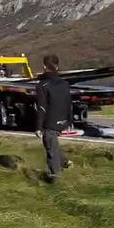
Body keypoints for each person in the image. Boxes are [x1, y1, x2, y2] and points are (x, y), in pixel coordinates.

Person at [35, 54, 73, 183]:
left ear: (44, 67)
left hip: (50, 121)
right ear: (57, 66)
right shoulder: (65, 84)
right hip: (63, 120)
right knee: (52, 145)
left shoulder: (42, 85)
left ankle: (55, 178)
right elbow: (69, 103)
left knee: (50, 147)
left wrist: (39, 127)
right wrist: (69, 121)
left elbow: (42, 108)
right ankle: (65, 162)